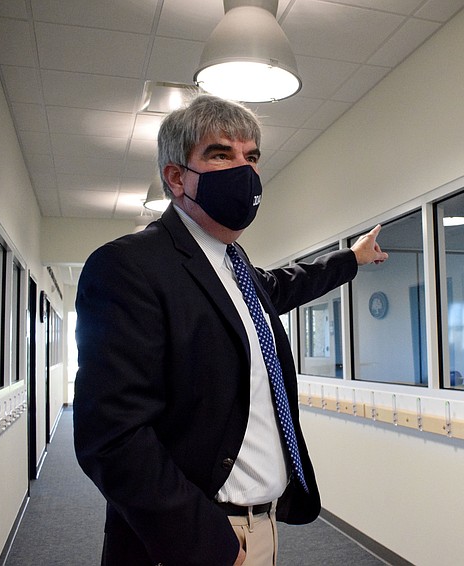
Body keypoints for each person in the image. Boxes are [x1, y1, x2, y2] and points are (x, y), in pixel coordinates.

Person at [73, 93, 388, 566]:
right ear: (177, 177)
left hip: (261, 525)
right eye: (221, 154)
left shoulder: (234, 266)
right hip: (193, 543)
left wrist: (351, 259)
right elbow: (111, 436)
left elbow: (285, 286)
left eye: (252, 156)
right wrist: (210, 548)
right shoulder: (129, 267)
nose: (244, 169)